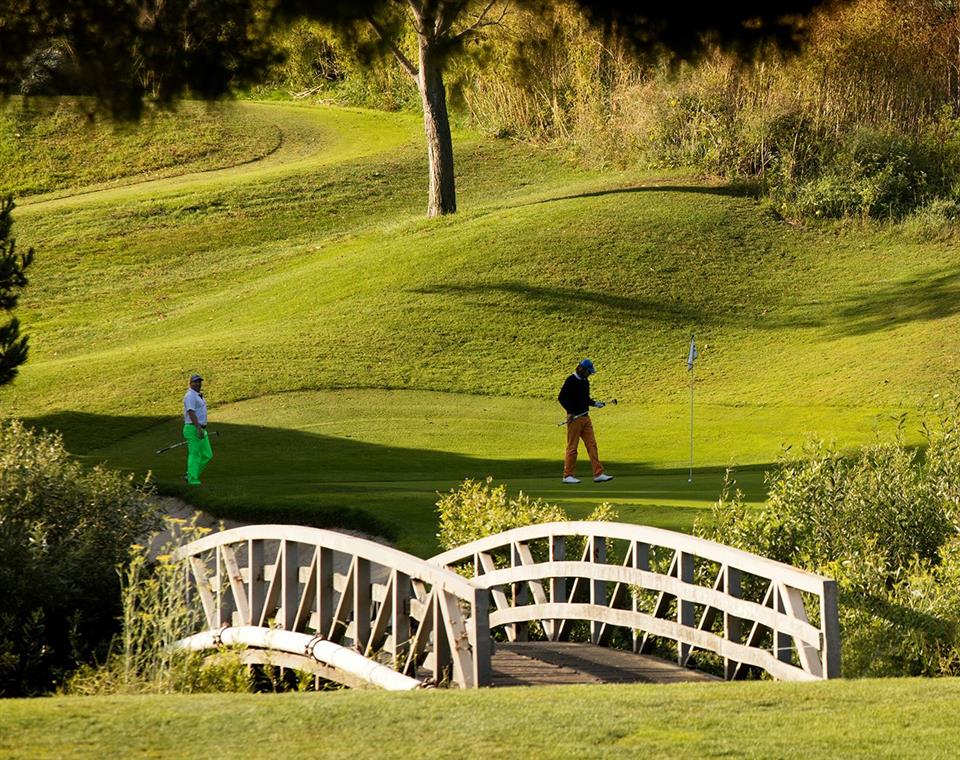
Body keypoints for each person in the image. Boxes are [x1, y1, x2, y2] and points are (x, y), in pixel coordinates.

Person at [557, 358, 613, 484]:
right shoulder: (570, 380)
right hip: (574, 419)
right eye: (588, 372)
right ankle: (567, 475)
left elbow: (585, 398)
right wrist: (570, 411)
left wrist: (594, 403)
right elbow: (562, 398)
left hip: (585, 417)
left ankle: (598, 474)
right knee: (572, 448)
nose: (589, 374)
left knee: (592, 445)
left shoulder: (585, 382)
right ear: (581, 369)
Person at [183, 373, 213, 485]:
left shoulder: (198, 395)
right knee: (195, 454)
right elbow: (191, 412)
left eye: (199, 381)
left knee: (207, 455)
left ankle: (190, 474)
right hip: (193, 428)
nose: (198, 384)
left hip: (200, 428)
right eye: (195, 382)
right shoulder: (190, 396)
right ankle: (192, 481)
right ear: (190, 383)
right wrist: (198, 428)